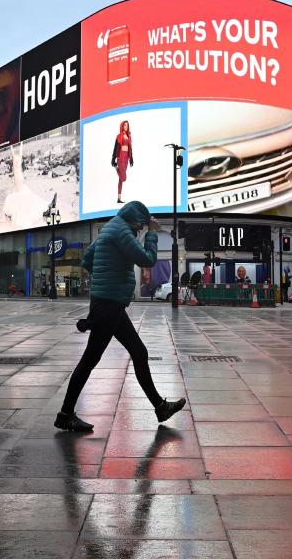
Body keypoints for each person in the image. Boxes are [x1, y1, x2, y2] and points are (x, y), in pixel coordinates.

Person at [56, 201, 185, 432]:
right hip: (109, 304)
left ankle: (160, 407)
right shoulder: (123, 231)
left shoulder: (110, 228)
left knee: (138, 352)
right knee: (89, 360)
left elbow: (87, 258)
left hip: (108, 302)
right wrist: (152, 234)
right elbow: (147, 260)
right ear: (135, 221)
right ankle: (65, 414)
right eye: (140, 227)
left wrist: (107, 274)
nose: (139, 231)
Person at [111, 120, 133, 204]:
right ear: (122, 126)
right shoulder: (119, 136)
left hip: (126, 157)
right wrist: (113, 159)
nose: (126, 127)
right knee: (124, 178)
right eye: (124, 125)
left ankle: (119, 198)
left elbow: (130, 148)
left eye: (127, 125)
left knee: (120, 179)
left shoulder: (129, 136)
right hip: (120, 157)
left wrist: (131, 158)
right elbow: (115, 147)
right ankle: (116, 167)